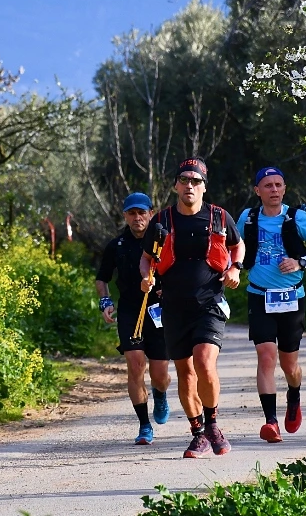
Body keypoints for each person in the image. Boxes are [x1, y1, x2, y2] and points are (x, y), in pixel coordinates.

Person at [140, 157, 244, 459]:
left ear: (203, 187)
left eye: (195, 181)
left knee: (204, 362)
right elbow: (147, 257)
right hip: (172, 306)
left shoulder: (219, 217)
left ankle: (212, 423)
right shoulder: (162, 221)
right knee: (185, 373)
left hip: (209, 303)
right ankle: (197, 433)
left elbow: (238, 246)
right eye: (184, 180)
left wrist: (235, 267)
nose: (189, 185)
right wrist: (145, 277)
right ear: (175, 185)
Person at [236, 166, 306, 443]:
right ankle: (270, 422)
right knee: (266, 356)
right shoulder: (248, 218)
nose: (274, 190)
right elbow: (235, 245)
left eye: (278, 185)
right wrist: (235, 264)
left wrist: (300, 262)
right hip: (259, 294)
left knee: (290, 365)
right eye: (268, 185)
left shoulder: (297, 217)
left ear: (284, 189)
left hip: (291, 297)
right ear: (257, 191)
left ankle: (294, 394)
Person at [95, 192, 172, 445]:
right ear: (125, 216)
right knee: (135, 364)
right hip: (129, 310)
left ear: (151, 213)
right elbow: (102, 278)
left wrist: (167, 288)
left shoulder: (164, 241)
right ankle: (144, 425)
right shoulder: (116, 245)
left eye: (142, 212)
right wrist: (105, 301)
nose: (137, 217)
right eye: (132, 213)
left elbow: (180, 269)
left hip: (160, 311)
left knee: (160, 373)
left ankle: (160, 395)